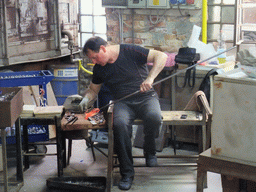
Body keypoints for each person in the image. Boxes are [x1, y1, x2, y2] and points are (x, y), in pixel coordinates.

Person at [80, 36, 168, 190]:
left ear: (103, 48)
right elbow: (94, 90)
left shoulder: (129, 50)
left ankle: (149, 149)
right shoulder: (100, 68)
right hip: (122, 102)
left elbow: (162, 56)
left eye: (94, 57)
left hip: (145, 97)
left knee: (154, 117)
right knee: (119, 126)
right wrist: (85, 99)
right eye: (91, 59)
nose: (94, 61)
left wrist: (150, 78)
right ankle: (127, 173)